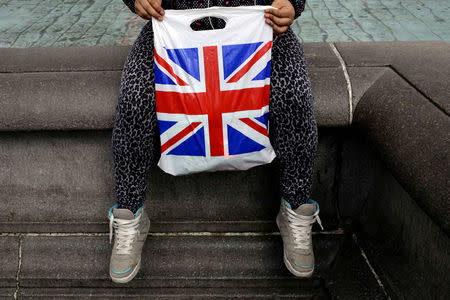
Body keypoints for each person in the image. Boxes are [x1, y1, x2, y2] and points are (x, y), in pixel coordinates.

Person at [108, 0, 322, 284]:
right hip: (174, 26)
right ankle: (129, 211)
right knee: (135, 101)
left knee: (294, 97)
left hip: (260, 27)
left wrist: (292, 4)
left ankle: (295, 206)